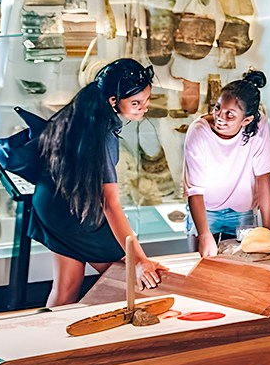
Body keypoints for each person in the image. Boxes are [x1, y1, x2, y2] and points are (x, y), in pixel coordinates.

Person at [31, 58, 171, 307]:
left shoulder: (84, 111)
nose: (144, 108)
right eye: (136, 103)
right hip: (72, 213)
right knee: (127, 279)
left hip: (50, 203)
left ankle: (47, 333)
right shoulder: (103, 133)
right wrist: (139, 260)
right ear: (113, 100)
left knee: (66, 289)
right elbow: (110, 204)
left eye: (146, 100)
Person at [182, 70, 270, 257]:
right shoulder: (198, 132)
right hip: (205, 211)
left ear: (247, 120)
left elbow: (263, 178)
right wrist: (204, 234)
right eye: (218, 108)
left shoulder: (259, 127)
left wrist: (268, 230)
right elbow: (194, 190)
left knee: (242, 265)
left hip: (242, 212)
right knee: (201, 264)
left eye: (230, 115)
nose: (220, 117)